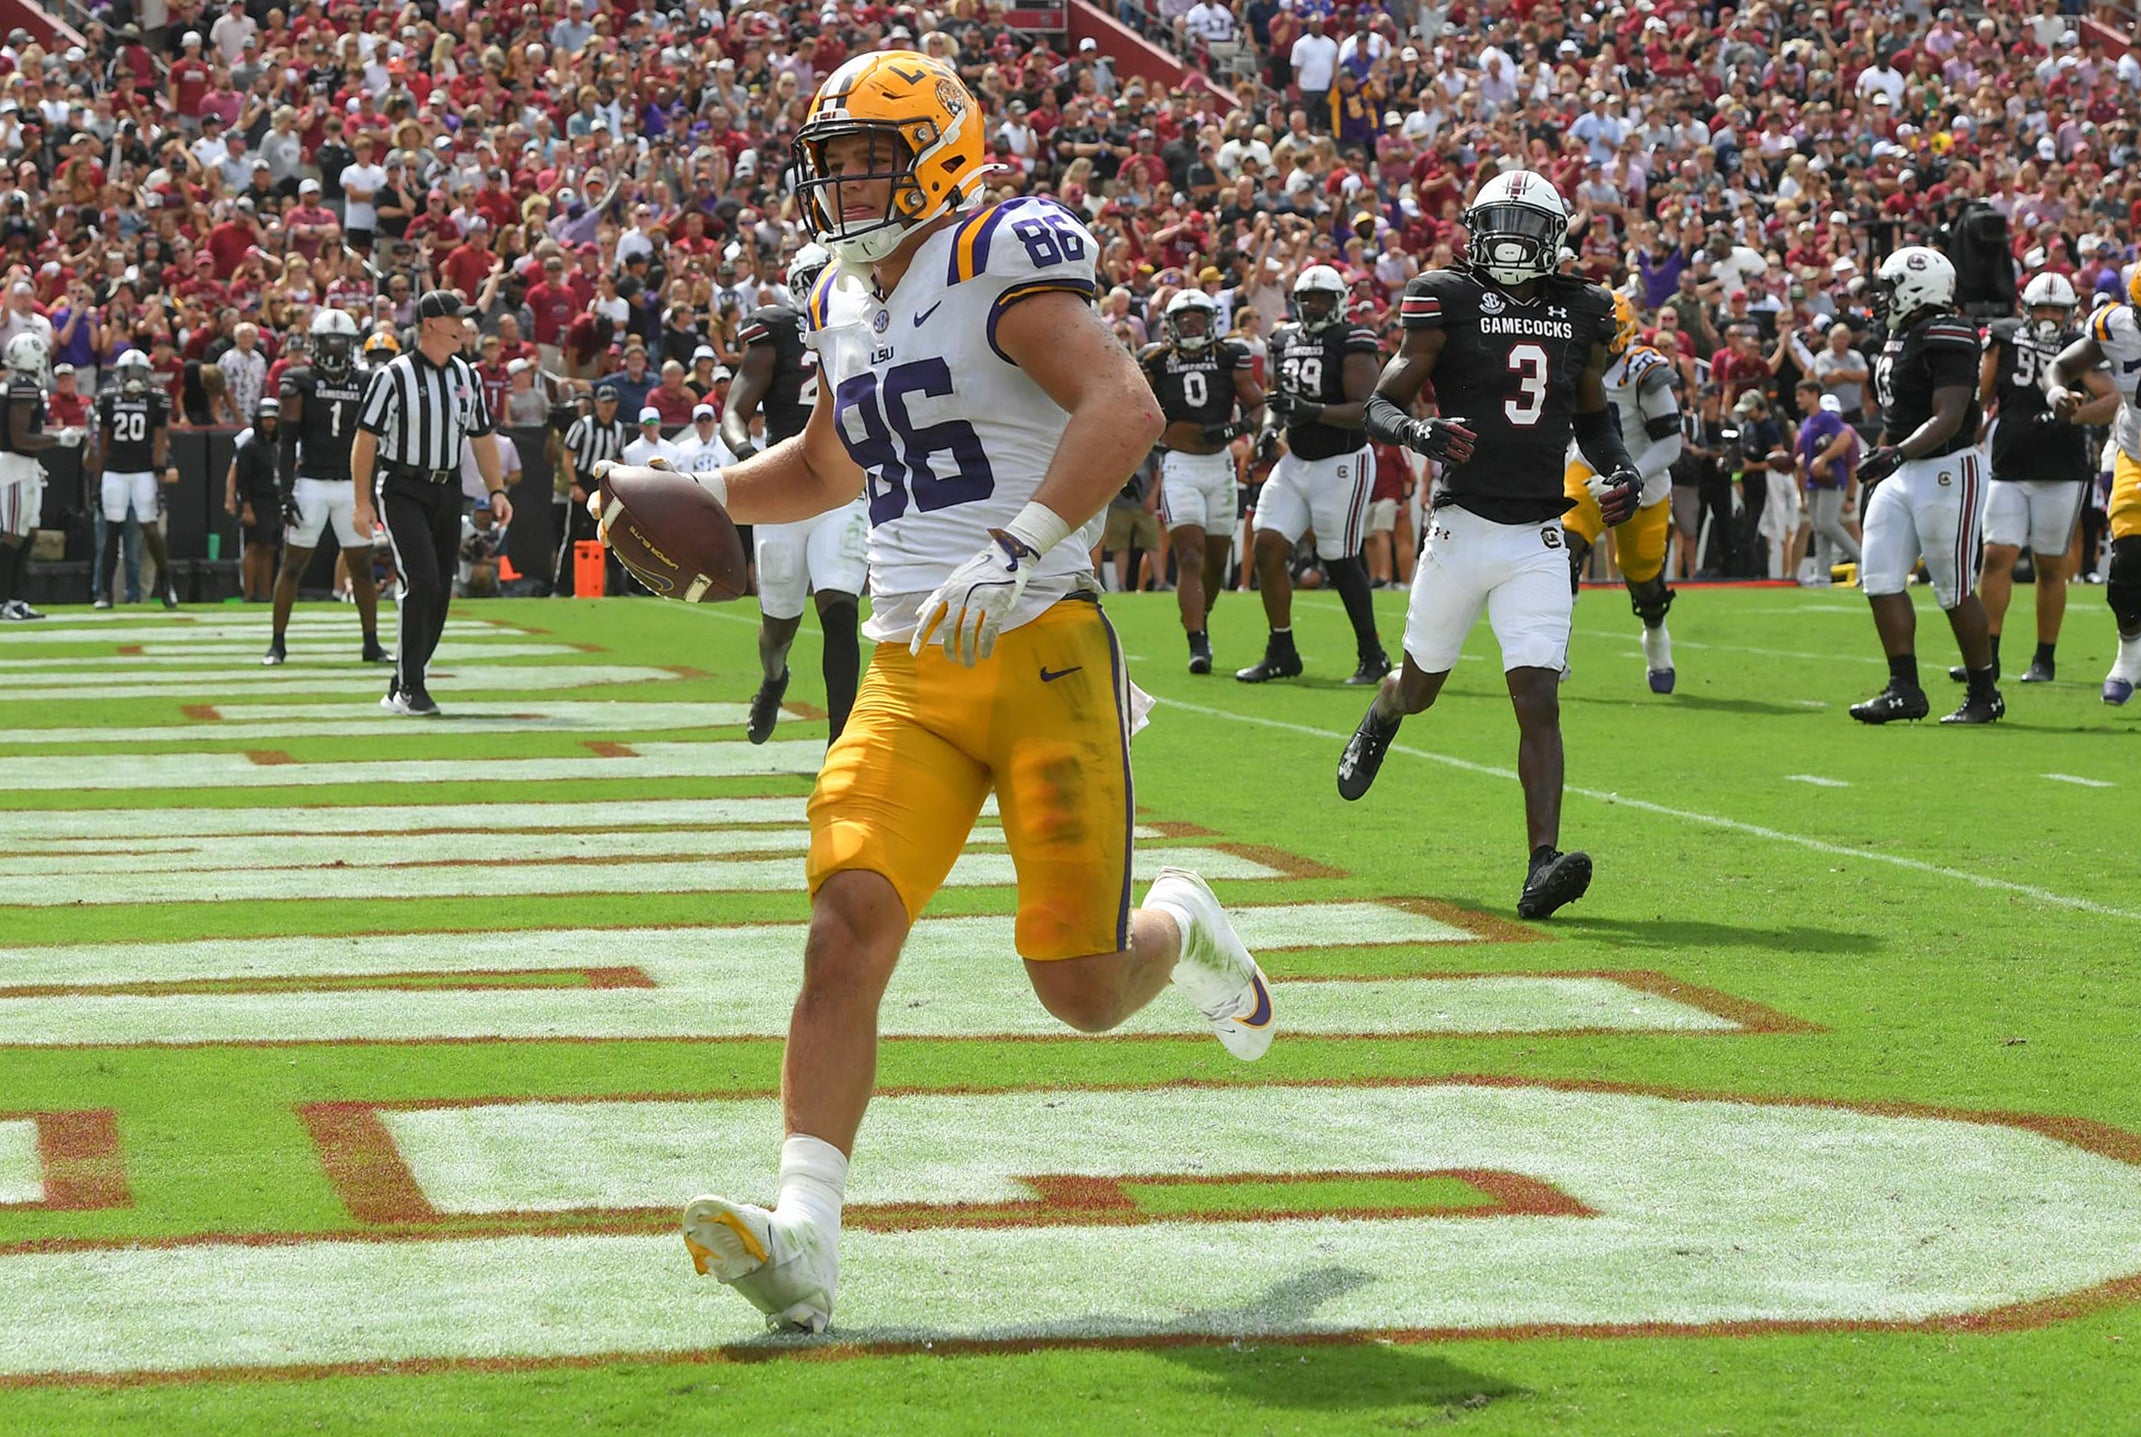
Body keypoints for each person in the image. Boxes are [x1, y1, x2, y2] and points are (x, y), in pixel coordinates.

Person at [608, 53, 1272, 1337]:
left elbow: (1122, 404)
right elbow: (821, 463)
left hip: (1039, 646)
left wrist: (1020, 540)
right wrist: (694, 485)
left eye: (868, 156)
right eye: (832, 160)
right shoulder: (842, 297)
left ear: (941, 151)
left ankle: (1179, 923)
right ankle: (804, 1237)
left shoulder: (997, 255)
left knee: (1076, 989)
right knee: (844, 922)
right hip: (913, 665)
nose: (843, 182)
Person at [1337, 168, 1636, 919]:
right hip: (1460, 526)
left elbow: (1593, 415)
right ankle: (1383, 709)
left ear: (1556, 237)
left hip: (1538, 530)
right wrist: (1419, 431)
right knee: (1420, 688)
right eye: (1498, 222)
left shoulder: (1584, 308)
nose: (1509, 239)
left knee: (1536, 694)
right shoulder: (1446, 296)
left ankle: (1541, 864)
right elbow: (1380, 404)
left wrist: (1621, 468)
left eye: (1526, 225)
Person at [1848, 247, 2000, 726]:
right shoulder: (1904, 333)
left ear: (1917, 288)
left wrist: (1896, 452)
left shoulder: (1948, 331)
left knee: (1953, 588)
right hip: (1904, 468)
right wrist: (1892, 458)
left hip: (1947, 468)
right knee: (1878, 575)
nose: (1881, 298)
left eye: (1889, 288)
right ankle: (1904, 689)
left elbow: (1950, 415)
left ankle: (1984, 693)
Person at [721, 243, 865, 746]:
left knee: (841, 610)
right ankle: (775, 678)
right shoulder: (778, 331)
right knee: (778, 629)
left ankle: (841, 742)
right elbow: (735, 408)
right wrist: (745, 453)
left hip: (844, 486)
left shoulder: (869, 324)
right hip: (784, 486)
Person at [350, 290, 511, 717]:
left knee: (440, 590)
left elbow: (482, 437)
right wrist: (361, 501)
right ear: (430, 325)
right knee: (420, 581)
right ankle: (410, 687)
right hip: (403, 486)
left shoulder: (467, 376)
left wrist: (496, 490)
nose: (463, 326)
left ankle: (402, 680)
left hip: (448, 488)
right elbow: (365, 438)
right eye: (455, 319)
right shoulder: (394, 375)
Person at [1956, 273, 2112, 686]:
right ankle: (1985, 657)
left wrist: (2075, 415)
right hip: (2009, 462)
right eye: (2041, 308)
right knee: (1994, 557)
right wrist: (1963, 440)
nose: (2046, 316)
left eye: (2055, 310)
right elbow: (1982, 395)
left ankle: (2045, 657)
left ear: (2068, 314)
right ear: (2026, 308)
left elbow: (2112, 398)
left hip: (2061, 468)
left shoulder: (2078, 348)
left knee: (2049, 564)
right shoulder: (2005, 337)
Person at [1237, 265, 1386, 684]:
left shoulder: (1353, 340)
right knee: (1266, 544)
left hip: (1342, 463)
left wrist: (1312, 412)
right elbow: (1277, 398)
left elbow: (1366, 409)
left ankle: (1372, 654)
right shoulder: (1285, 338)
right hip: (1296, 461)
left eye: (1321, 299)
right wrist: (1269, 429)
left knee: (1340, 560)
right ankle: (1281, 649)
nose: (1312, 306)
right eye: (1306, 299)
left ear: (1338, 302)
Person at [1560, 291, 1684, 692]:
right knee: (1563, 548)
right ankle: (1553, 644)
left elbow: (1671, 444)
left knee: (1644, 579)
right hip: (1589, 467)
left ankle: (1657, 639)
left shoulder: (1642, 370)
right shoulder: (1573, 359)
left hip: (1642, 481)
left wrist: (1632, 475)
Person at [1140, 288, 1263, 673]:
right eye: (1183, 319)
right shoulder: (1155, 360)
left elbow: (1258, 405)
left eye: (1198, 318)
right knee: (1189, 555)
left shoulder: (1231, 355)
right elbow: (1136, 409)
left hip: (1220, 464)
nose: (1191, 325)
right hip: (1179, 464)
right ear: (1171, 325)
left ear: (1213, 322)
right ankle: (1197, 640)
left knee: (1216, 560)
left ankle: (1201, 617)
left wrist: (1238, 430)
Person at [265, 308, 385, 666]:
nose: (333, 349)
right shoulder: (298, 379)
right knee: (292, 565)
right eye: (327, 342)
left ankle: (371, 642)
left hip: (351, 485)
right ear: (315, 344)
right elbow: (287, 442)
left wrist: (368, 493)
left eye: (339, 342)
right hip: (312, 483)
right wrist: (286, 493)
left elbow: (374, 441)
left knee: (362, 566)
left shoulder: (365, 382)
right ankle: (277, 643)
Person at [2050, 271, 2141, 705]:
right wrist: (2056, 393)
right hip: (2136, 455)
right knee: (2125, 569)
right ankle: (2129, 656)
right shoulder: (2114, 326)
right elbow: (2062, 366)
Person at [89, 349, 178, 609]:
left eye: (141, 372)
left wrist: (159, 478)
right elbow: (103, 443)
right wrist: (98, 479)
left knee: (150, 529)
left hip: (142, 472)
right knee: (112, 530)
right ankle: (105, 593)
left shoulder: (156, 399)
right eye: (132, 372)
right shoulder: (108, 399)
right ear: (121, 373)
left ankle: (166, 585)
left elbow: (160, 441)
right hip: (115, 471)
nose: (136, 377)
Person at [0, 332, 76, 618]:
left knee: (28, 533)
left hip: (25, 466)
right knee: (12, 535)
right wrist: (57, 440)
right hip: (14, 466)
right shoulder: (22, 387)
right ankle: (3, 601)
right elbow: (19, 437)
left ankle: (16, 599)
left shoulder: (22, 385)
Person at [556, 385, 629, 595]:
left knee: (612, 535)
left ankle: (618, 588)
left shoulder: (618, 428)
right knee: (573, 536)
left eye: (612, 403)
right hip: (583, 480)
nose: (608, 407)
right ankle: (561, 587)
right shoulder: (583, 425)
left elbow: (619, 459)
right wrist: (573, 485)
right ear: (596, 403)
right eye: (605, 402)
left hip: (605, 484)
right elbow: (568, 457)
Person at [1795, 385, 1862, 585]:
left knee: (1828, 524)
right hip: (1813, 481)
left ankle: (1864, 561)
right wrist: (1802, 460)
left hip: (1831, 479)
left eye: (1802, 395)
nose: (1797, 399)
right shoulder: (1807, 423)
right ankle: (1823, 574)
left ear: (1814, 395)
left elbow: (1845, 438)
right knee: (1819, 527)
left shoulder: (1827, 419)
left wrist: (1824, 458)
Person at [224, 396, 282, 602]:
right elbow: (242, 478)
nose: (270, 423)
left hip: (273, 500)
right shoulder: (250, 446)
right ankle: (248, 593)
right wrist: (246, 507)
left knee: (270, 548)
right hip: (255, 500)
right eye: (266, 418)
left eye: (273, 419)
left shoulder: (277, 446)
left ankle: (265, 593)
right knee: (254, 546)